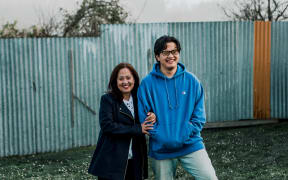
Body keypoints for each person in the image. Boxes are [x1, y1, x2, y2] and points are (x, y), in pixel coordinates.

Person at [137, 35, 218, 180]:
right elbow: (145, 118)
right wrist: (165, 137)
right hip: (161, 149)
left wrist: (185, 132)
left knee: (209, 177)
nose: (171, 56)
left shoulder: (192, 81)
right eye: (165, 52)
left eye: (174, 51)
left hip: (190, 144)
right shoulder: (147, 84)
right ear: (157, 56)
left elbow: (199, 117)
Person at [88, 63, 156, 180]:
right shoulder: (108, 100)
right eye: (121, 79)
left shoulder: (139, 99)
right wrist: (137, 129)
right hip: (112, 159)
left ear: (134, 79)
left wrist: (153, 115)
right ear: (115, 81)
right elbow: (107, 126)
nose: (125, 82)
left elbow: (149, 112)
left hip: (135, 158)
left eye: (128, 78)